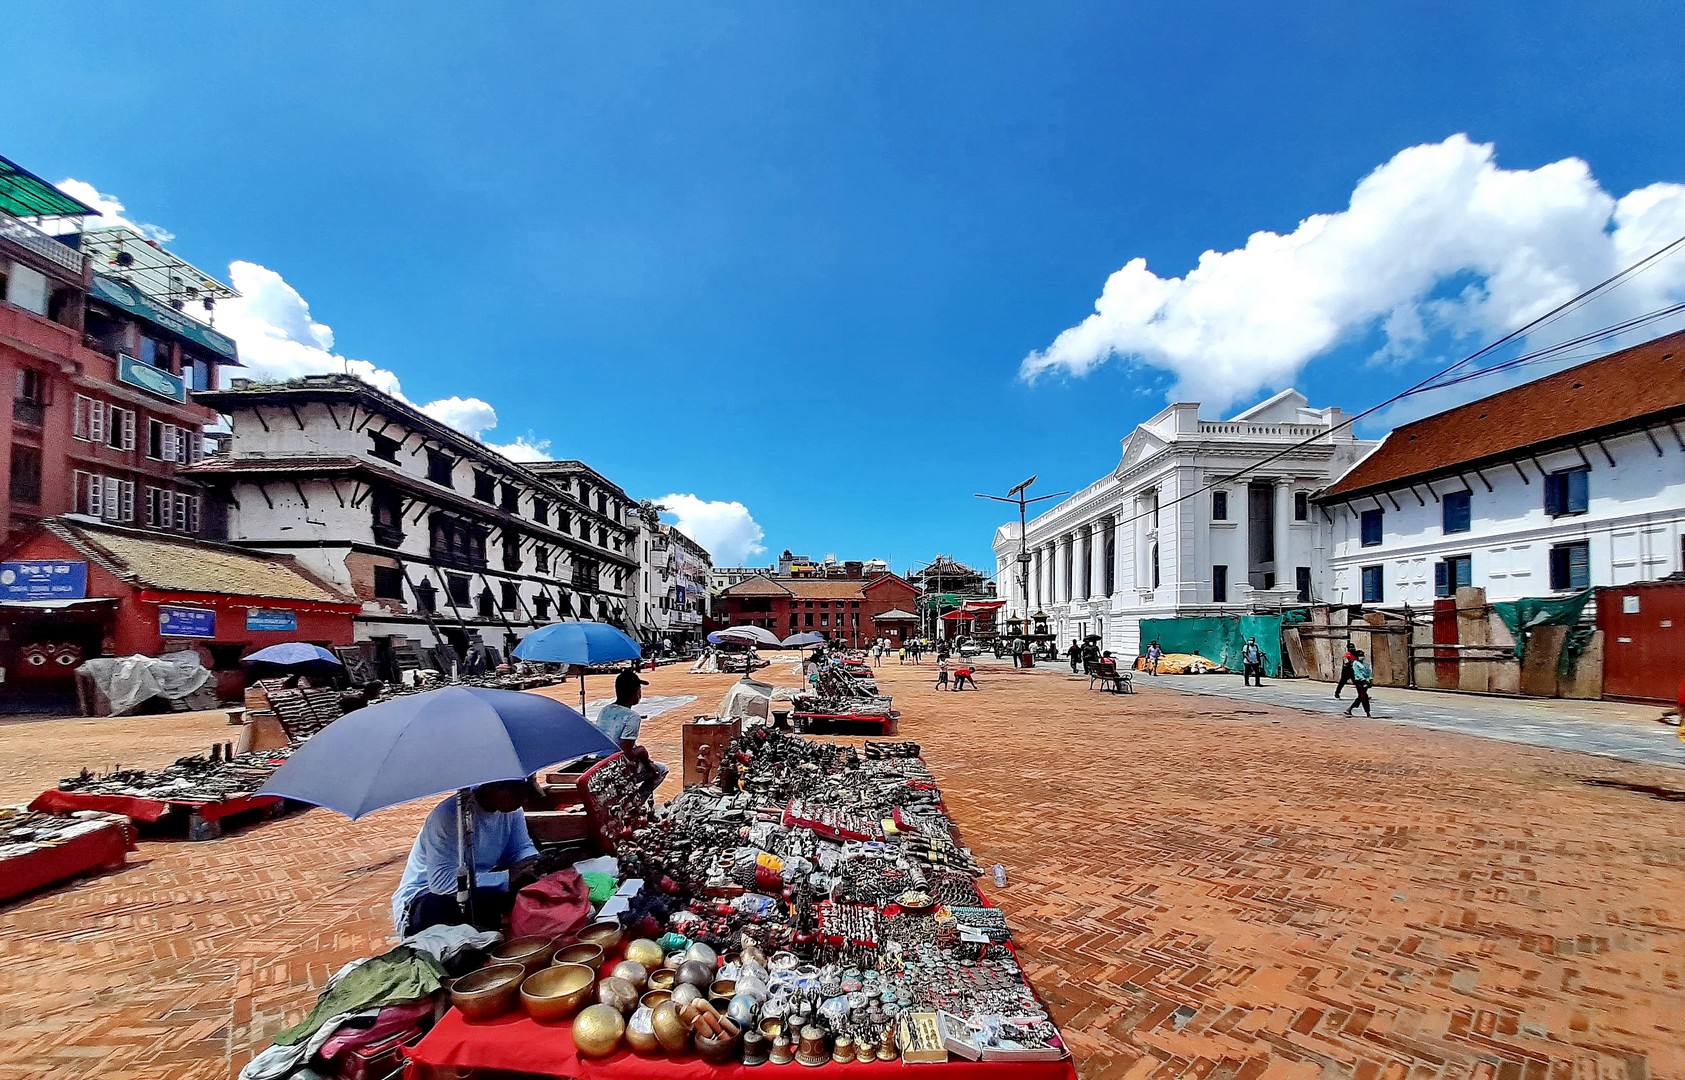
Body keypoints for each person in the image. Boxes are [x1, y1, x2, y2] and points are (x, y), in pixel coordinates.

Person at [391, 778, 540, 935]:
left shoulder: (513, 811)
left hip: (474, 886)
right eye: (519, 794)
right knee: (491, 903)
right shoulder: (448, 817)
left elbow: (520, 848)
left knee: (528, 890)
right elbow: (441, 882)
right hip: (424, 901)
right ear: (494, 787)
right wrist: (508, 877)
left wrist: (535, 863)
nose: (525, 799)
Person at [595, 667, 670, 786]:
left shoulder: (606, 710)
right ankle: (640, 796)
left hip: (600, 762)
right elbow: (627, 753)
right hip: (616, 766)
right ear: (636, 692)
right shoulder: (632, 717)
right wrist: (643, 754)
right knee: (661, 769)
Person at [1343, 650, 1374, 717]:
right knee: (1364, 697)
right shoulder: (1355, 664)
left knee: (1361, 697)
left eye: (1362, 655)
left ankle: (1350, 709)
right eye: (1360, 655)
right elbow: (1357, 673)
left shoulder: (1365, 664)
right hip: (1359, 681)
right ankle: (1367, 712)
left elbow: (1369, 672)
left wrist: (1370, 679)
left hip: (1366, 681)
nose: (1361, 657)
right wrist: (1363, 680)